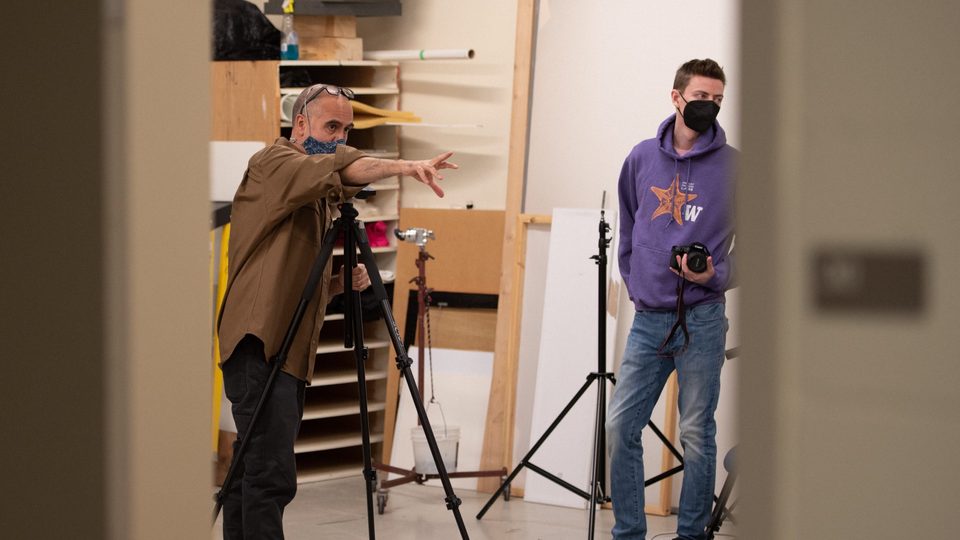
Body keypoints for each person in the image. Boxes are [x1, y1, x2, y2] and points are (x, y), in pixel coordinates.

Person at [216, 83, 457, 539]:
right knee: (268, 477)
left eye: (346, 129)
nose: (339, 138)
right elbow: (344, 166)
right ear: (300, 123)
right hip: (261, 344)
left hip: (280, 348)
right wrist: (410, 166)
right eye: (331, 126)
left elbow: (288, 279)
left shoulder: (315, 193)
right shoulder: (276, 164)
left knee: (251, 472)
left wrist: (332, 286)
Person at [607, 59, 736, 540]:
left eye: (718, 100)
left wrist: (714, 274)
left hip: (702, 318)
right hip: (649, 319)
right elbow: (628, 225)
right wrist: (636, 283)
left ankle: (691, 534)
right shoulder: (642, 157)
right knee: (621, 427)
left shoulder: (735, 167)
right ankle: (628, 533)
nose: (710, 106)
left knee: (696, 435)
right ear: (676, 96)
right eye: (702, 97)